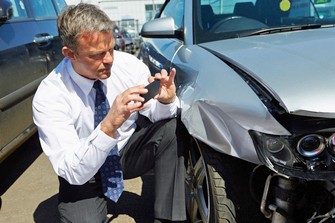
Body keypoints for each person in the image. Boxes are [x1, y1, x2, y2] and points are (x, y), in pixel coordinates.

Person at [32, 3, 189, 223]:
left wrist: (165, 101)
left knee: (171, 128)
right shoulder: (50, 95)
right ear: (70, 54)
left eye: (111, 49)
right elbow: (72, 170)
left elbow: (155, 114)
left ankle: (169, 218)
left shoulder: (127, 66)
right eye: (96, 55)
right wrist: (108, 125)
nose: (109, 60)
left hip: (126, 154)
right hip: (84, 172)